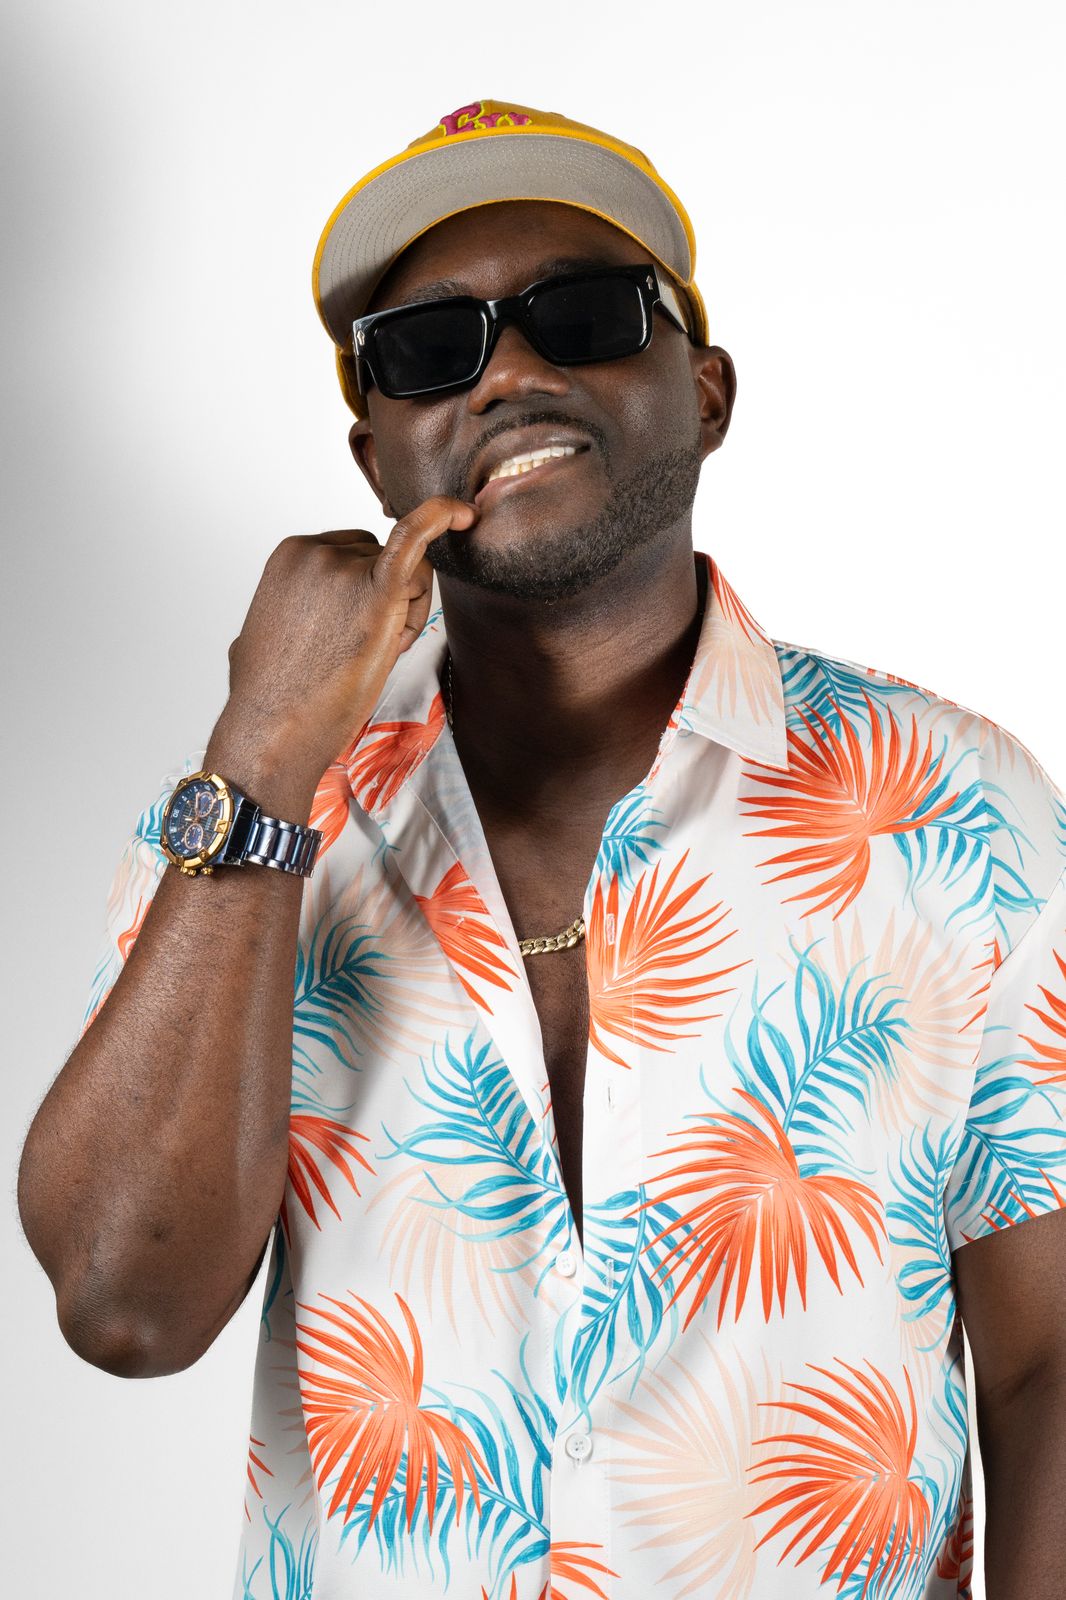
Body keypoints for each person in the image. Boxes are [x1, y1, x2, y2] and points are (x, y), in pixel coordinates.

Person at [17, 99, 1066, 1600]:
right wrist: (260, 759)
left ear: (706, 390)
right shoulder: (248, 817)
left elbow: (1045, 1366)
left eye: (580, 315)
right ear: (375, 454)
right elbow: (126, 1307)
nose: (506, 372)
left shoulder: (956, 807)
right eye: (426, 348)